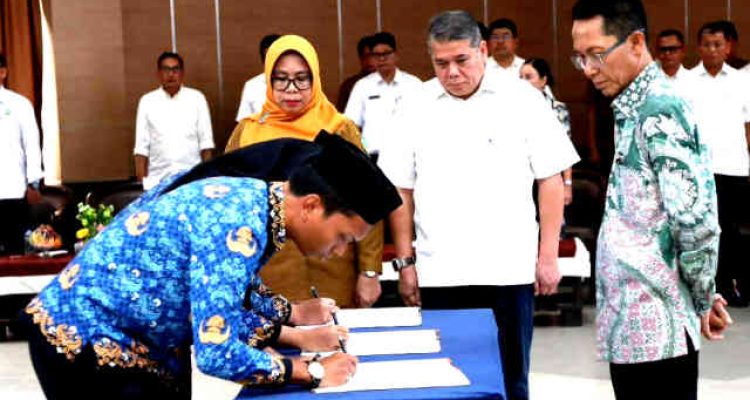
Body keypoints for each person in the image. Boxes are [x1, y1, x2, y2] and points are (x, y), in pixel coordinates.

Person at [24, 132, 403, 399]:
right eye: (342, 237)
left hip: (131, 340)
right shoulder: (236, 224)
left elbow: (224, 297)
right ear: (311, 206)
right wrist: (312, 371)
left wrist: (292, 327)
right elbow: (216, 352)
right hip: (84, 338)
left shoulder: (254, 202)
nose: (338, 251)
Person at [379, 11, 579, 400]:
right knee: (447, 381)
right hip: (441, 271)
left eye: (461, 60)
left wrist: (548, 256)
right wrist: (405, 262)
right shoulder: (413, 103)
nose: (452, 73)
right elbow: (401, 189)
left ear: (483, 50)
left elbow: (551, 180)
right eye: (441, 63)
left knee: (511, 379)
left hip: (508, 269)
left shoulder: (523, 99)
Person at [570, 1, 733, 398]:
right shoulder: (632, 107)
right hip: (632, 321)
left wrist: (702, 296)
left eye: (597, 55)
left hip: (657, 325)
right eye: (580, 58)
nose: (589, 69)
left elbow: (695, 220)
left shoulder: (661, 109)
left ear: (636, 42)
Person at [225, 35, 385, 309]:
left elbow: (367, 200)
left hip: (333, 270)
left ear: (315, 79)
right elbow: (228, 207)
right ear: (268, 81)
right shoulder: (247, 133)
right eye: (281, 79)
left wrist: (369, 271)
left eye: (302, 78)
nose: (292, 89)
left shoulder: (338, 129)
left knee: (337, 335)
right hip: (270, 277)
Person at [690, 21, 750, 308]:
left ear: (728, 47)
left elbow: (748, 125)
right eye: (706, 44)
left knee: (731, 229)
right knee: (701, 229)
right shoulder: (687, 81)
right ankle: (702, 287)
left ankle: (729, 286)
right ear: (698, 47)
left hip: (734, 166)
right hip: (699, 168)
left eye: (718, 44)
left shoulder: (742, 80)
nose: (712, 50)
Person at [134, 52, 214, 190]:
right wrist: (141, 184)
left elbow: (206, 144)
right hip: (157, 181)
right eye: (166, 69)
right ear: (158, 73)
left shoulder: (197, 99)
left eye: (175, 69)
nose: (171, 74)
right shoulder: (147, 101)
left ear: (182, 73)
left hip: (191, 178)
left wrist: (205, 179)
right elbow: (141, 148)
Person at [344, 32, 423, 158]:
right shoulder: (362, 86)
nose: (382, 59)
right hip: (372, 156)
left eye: (386, 53)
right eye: (376, 55)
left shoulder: (413, 84)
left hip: (407, 156)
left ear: (396, 55)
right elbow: (351, 125)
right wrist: (363, 149)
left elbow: (424, 122)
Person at [0, 53, 43, 255]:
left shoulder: (19, 104)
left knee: (14, 254)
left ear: (3, 72)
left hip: (12, 191)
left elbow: (32, 145)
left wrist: (33, 183)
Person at [520, 57, 574, 206]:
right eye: (520, 77)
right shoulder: (511, 109)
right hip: (521, 179)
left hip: (549, 176)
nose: (523, 82)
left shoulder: (557, 109)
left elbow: (565, 150)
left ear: (543, 80)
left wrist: (567, 184)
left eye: (528, 77)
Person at [236, 34, 282, 121]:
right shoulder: (252, 86)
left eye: (277, 57)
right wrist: (264, 116)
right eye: (268, 57)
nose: (273, 62)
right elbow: (244, 122)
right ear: (262, 59)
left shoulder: (299, 85)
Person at [336, 35, 376, 112]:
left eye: (373, 56)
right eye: (366, 56)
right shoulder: (349, 86)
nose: (370, 61)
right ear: (360, 59)